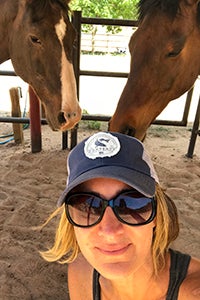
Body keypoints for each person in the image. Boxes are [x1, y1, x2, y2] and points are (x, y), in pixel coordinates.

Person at [40, 131, 200, 300]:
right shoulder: (81, 271)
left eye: (132, 204)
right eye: (88, 206)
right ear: (71, 223)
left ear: (158, 215)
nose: (110, 231)